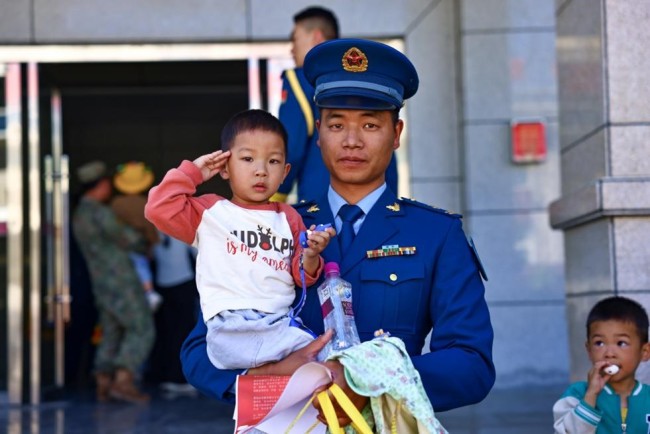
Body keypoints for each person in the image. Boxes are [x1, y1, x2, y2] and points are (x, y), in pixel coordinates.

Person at [179, 38, 495, 425]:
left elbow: (471, 362)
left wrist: (368, 380)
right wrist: (268, 378)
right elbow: (199, 349)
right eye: (336, 124)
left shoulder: (436, 234)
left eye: (370, 124)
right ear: (319, 133)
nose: (351, 140)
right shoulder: (264, 226)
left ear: (396, 134)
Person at [145, 109, 335, 371]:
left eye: (273, 162)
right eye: (247, 159)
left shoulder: (288, 218)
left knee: (326, 357)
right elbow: (158, 208)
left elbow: (302, 276)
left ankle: (267, 375)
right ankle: (272, 371)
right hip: (230, 326)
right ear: (224, 167)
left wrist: (311, 256)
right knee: (314, 358)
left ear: (285, 172)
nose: (261, 171)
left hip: (278, 323)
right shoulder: (211, 213)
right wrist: (194, 173)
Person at [271, 6, 399, 203]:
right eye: (337, 125)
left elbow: (289, 150)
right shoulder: (370, 83)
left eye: (295, 39)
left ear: (316, 37)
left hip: (320, 207)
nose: (292, 48)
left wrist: (271, 200)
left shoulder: (299, 81)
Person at [71, 160, 155, 403]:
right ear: (101, 185)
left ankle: (103, 383)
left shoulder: (79, 214)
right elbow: (126, 238)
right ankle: (123, 381)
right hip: (121, 279)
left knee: (111, 330)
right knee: (142, 327)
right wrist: (144, 240)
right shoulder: (100, 212)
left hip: (100, 282)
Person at [553, 296, 650, 433]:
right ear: (589, 350)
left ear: (644, 352)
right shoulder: (576, 395)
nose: (609, 353)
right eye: (599, 343)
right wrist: (590, 396)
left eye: (621, 343)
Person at [146, 232, 200, 395]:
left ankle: (175, 376)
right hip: (172, 284)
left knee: (175, 332)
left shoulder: (161, 226)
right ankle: (175, 376)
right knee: (175, 332)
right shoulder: (159, 226)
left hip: (173, 283)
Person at [111, 161, 163, 312]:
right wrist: (152, 244)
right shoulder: (145, 204)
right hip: (140, 249)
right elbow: (151, 231)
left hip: (119, 252)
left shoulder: (115, 203)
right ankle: (149, 292)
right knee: (142, 267)